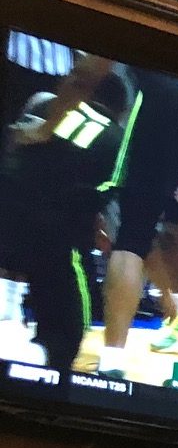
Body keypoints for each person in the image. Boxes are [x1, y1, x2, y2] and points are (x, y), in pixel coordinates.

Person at [16, 55, 178, 373]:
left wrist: (47, 127)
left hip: (166, 88)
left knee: (133, 235)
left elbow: (90, 68)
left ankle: (113, 361)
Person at [0, 80, 126, 372]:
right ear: (121, 111)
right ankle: (32, 363)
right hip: (55, 232)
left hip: (9, 207)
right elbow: (111, 218)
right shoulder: (117, 139)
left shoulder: (46, 103)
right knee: (67, 335)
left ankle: (9, 321)